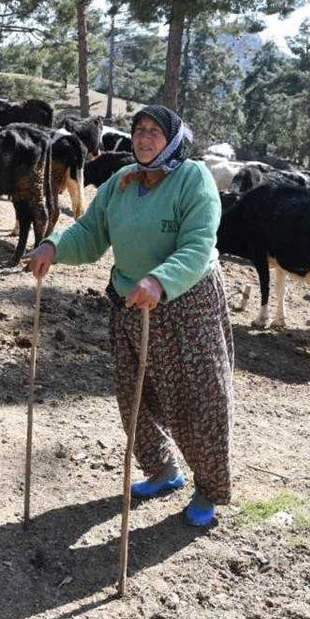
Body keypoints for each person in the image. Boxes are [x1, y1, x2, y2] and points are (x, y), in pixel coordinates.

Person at [25, 106, 234, 527]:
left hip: (186, 304)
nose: (143, 138)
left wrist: (160, 280)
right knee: (136, 398)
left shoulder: (192, 179)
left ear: (173, 139)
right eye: (139, 130)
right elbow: (89, 234)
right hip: (130, 303)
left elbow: (197, 245)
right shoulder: (120, 183)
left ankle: (209, 488)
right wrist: (54, 246)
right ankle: (162, 471)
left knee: (198, 400)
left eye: (155, 132)